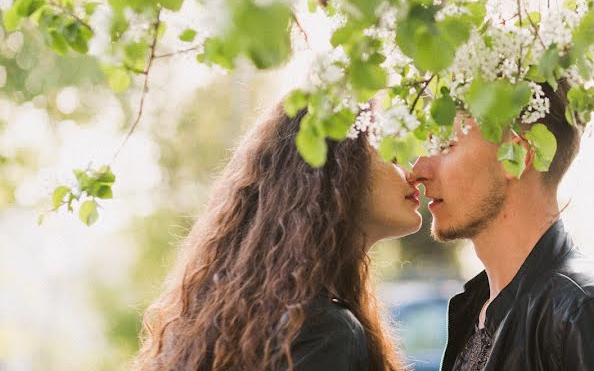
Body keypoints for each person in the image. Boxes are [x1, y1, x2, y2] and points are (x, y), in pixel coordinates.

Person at [133, 99, 422, 370]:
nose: (412, 173)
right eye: (392, 156)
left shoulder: (235, 321)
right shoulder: (326, 332)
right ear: (343, 170)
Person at [413, 80, 594, 371]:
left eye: (447, 145)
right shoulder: (476, 310)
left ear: (518, 156)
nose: (420, 170)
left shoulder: (587, 313)